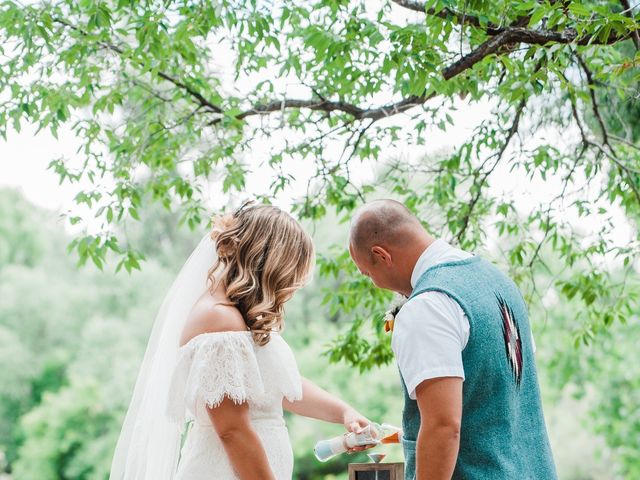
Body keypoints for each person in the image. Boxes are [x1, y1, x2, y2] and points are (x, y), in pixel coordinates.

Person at [110, 202, 370, 480]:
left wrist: (344, 413)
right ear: (268, 263)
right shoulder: (217, 320)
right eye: (289, 273)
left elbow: (281, 387)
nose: (290, 287)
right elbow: (232, 429)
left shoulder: (235, 318)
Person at [348, 199, 557, 480]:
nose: (373, 282)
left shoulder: (428, 306)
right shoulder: (500, 283)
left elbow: (443, 427)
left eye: (368, 273)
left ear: (382, 255)